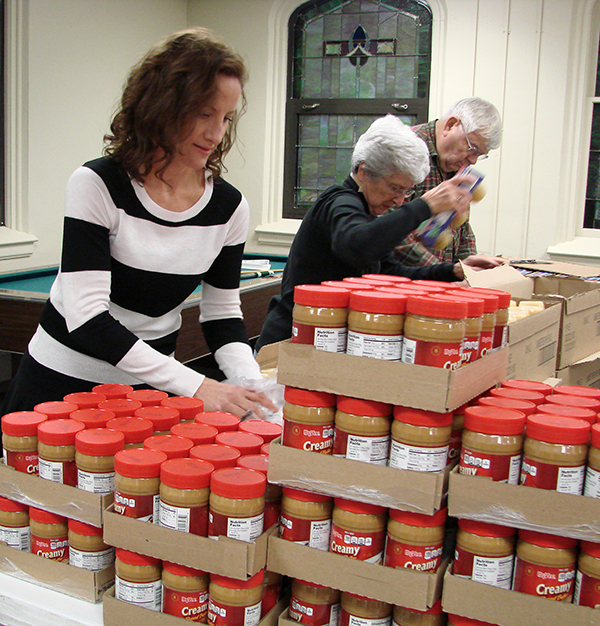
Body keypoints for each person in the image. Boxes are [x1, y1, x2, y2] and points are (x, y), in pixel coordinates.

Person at [1, 28, 274, 419]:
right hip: (60, 386)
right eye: (204, 114)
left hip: (152, 393)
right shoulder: (97, 184)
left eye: (227, 117)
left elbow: (223, 315)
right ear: (163, 105)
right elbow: (88, 319)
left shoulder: (229, 207)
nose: (217, 133)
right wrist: (196, 384)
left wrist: (250, 386)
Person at [255, 114, 492, 353]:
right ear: (364, 171)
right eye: (395, 188)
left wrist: (452, 271)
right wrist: (423, 206)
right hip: (284, 346)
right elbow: (357, 246)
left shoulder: (366, 211)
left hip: (323, 347)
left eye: (406, 193)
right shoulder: (338, 202)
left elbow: (389, 273)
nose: (399, 201)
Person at [393, 97, 504, 267]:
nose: (473, 161)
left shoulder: (457, 164)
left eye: (480, 154)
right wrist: (446, 273)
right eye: (472, 149)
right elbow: (392, 230)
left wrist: (469, 271)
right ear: (450, 125)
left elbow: (461, 227)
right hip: (401, 281)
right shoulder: (406, 149)